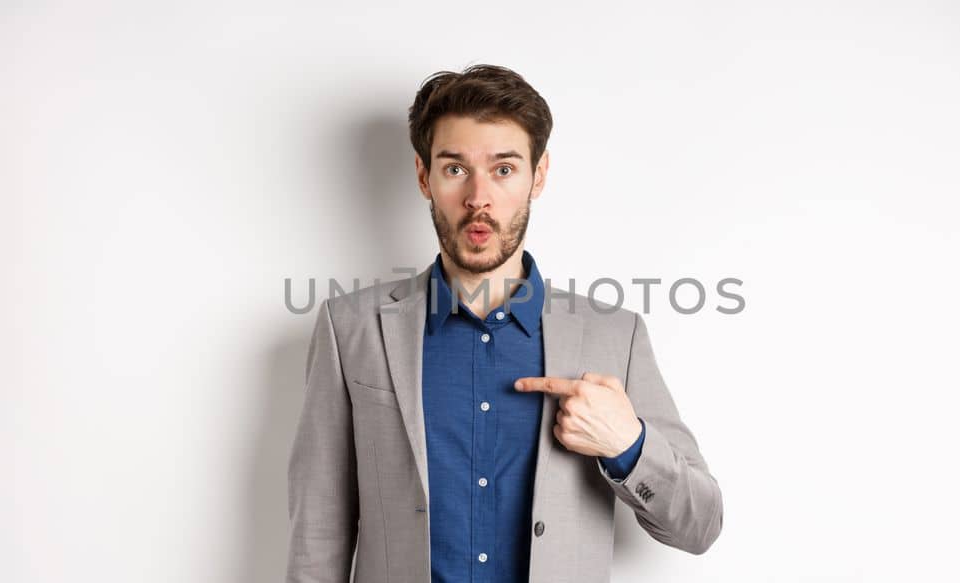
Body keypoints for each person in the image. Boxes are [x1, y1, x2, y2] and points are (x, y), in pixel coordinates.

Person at [286, 64, 722, 583]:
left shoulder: (614, 336)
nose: (478, 197)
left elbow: (700, 525)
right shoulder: (350, 327)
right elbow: (317, 532)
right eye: (454, 169)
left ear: (538, 176)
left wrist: (626, 443)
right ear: (424, 176)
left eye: (504, 169)